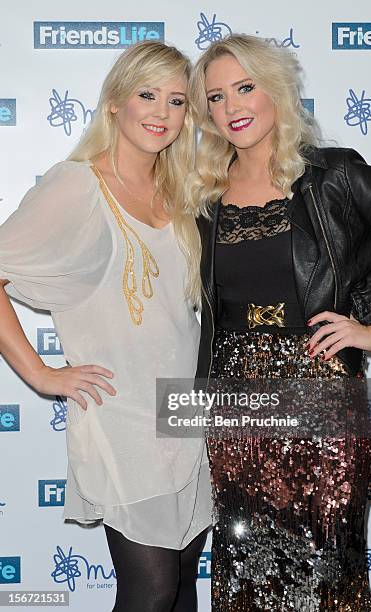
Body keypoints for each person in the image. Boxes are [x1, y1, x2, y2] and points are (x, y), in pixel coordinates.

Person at [189, 33, 371, 611]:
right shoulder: (203, 195)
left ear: (277, 90)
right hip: (235, 400)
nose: (232, 107)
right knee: (246, 571)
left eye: (244, 87)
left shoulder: (336, 176)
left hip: (321, 390)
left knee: (329, 571)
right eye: (215, 97)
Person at [0, 41, 211, 612]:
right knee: (151, 588)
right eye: (147, 95)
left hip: (186, 410)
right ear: (115, 102)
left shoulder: (179, 191)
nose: (161, 113)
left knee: (185, 586)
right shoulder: (76, 185)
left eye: (176, 101)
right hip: (122, 416)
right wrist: (43, 375)